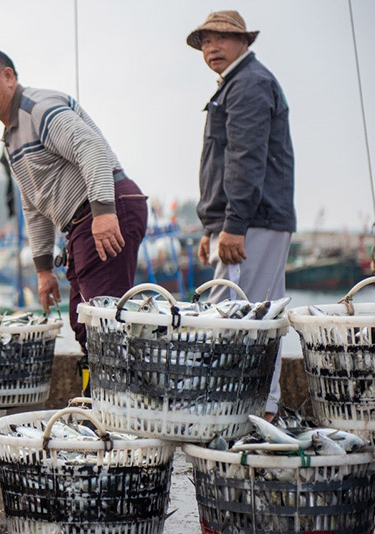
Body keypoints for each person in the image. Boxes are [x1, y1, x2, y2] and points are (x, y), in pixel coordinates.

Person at [0, 46, 148, 359]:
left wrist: (103, 212)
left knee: (102, 319)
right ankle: (98, 397)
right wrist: (43, 269)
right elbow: (33, 204)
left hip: (106, 206)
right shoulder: (12, 135)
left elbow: (92, 147)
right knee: (83, 318)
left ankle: (119, 400)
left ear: (8, 76)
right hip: (81, 220)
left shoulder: (39, 108)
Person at [187, 10, 296, 418]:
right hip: (244, 220)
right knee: (246, 312)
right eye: (205, 41)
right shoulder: (235, 84)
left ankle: (253, 410)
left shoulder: (248, 84)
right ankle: (254, 406)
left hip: (255, 220)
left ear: (244, 42)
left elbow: (246, 160)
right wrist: (212, 227)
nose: (212, 47)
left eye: (222, 39)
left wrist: (232, 226)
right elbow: (222, 165)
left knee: (242, 315)